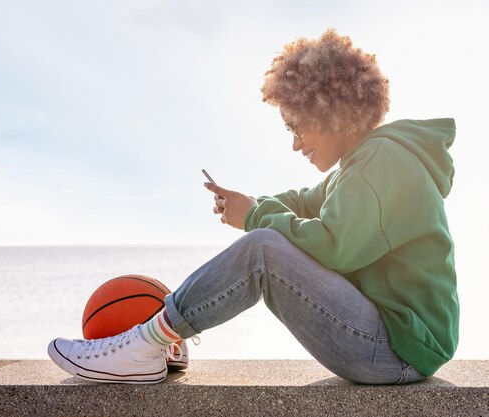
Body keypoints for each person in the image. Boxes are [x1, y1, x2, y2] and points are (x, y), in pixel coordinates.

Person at [48, 29, 459, 385]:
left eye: (296, 127)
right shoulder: (365, 164)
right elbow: (304, 201)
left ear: (330, 113)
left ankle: (146, 343)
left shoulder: (383, 160)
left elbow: (336, 246)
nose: (295, 143)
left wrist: (254, 218)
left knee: (262, 249)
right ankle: (161, 343)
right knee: (264, 239)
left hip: (398, 351)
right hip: (400, 345)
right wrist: (251, 204)